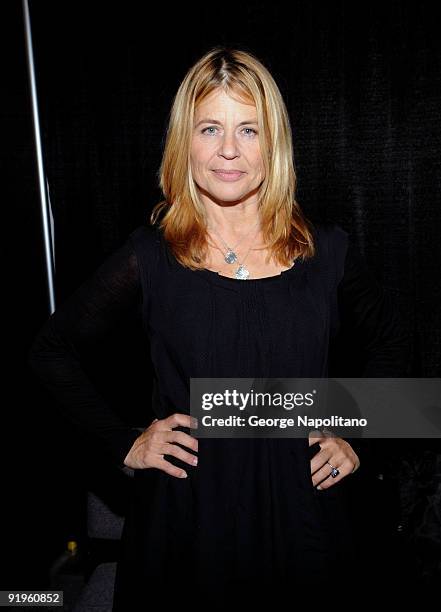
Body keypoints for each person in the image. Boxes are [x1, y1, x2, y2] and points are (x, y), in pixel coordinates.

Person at [28, 46, 409, 607]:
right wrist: (125, 443)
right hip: (188, 526)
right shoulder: (151, 256)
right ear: (186, 141)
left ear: (272, 142)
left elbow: (395, 344)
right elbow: (49, 351)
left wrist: (359, 435)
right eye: (210, 128)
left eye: (249, 130)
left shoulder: (326, 252)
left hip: (306, 521)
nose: (229, 150)